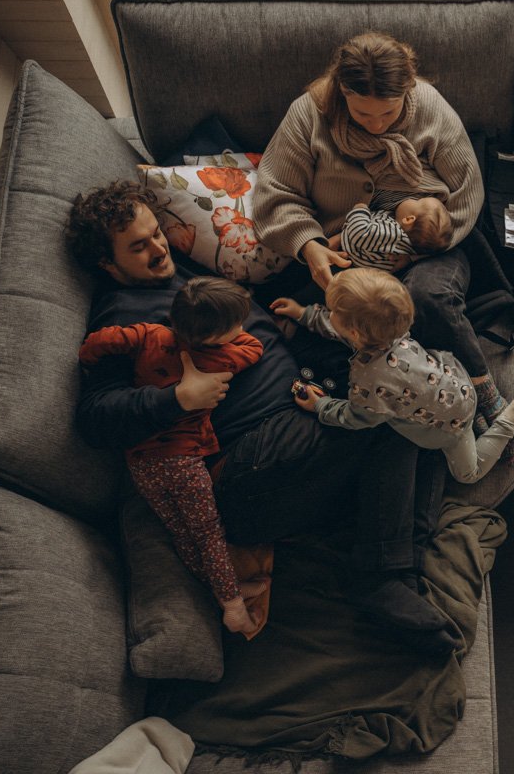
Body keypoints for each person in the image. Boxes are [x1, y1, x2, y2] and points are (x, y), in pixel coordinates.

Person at [68, 181, 456, 654]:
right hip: (248, 463)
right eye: (139, 246)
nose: (158, 247)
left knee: (430, 421)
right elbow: (93, 418)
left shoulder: (180, 270)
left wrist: (319, 259)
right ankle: (380, 577)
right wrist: (178, 399)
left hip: (295, 422)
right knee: (391, 419)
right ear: (108, 264)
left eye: (155, 233)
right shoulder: (119, 318)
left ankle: (404, 566)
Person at [252, 30, 514, 464]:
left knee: (425, 298)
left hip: (430, 246)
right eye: (364, 114)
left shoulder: (430, 106)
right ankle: (407, 425)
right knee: (330, 336)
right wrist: (308, 246)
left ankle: (482, 389)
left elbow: (465, 191)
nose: (377, 124)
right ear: (342, 92)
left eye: (389, 112)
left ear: (408, 90)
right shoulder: (308, 115)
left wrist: (414, 248)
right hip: (348, 251)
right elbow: (274, 193)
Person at [78, 276, 267, 635]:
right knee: (208, 532)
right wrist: (232, 335)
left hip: (141, 462)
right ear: (213, 338)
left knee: (183, 533)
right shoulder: (219, 358)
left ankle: (223, 587)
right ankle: (232, 607)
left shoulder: (149, 334)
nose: (241, 329)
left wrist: (88, 356)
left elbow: (101, 341)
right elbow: (254, 347)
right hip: (181, 459)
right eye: (235, 325)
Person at [276, 268, 514, 484]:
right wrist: (303, 314)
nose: (328, 313)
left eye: (330, 311)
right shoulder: (393, 329)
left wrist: (320, 405)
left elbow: (357, 418)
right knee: (462, 412)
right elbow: (342, 330)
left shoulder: (368, 381)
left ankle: (509, 418)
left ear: (354, 334)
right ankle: (481, 414)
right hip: (460, 382)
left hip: (449, 427)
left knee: (468, 474)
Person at [337, 197, 451, 270]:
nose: (412, 198)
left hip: (345, 253)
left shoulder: (393, 234)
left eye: (417, 201)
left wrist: (360, 209)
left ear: (409, 219)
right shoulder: (408, 248)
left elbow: (359, 234)